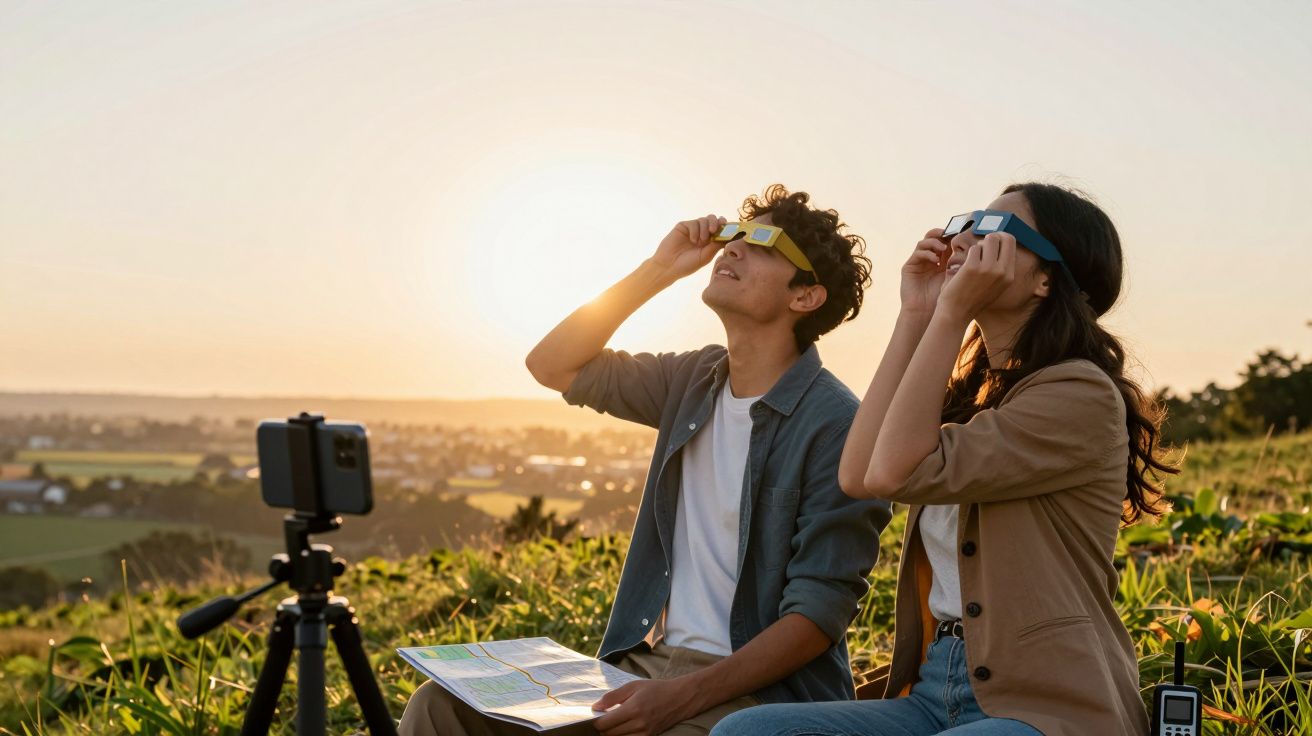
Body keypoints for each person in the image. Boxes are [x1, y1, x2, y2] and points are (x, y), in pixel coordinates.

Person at [398, 185, 892, 736]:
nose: (732, 247)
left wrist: (680, 699)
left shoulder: (839, 425)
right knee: (438, 708)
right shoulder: (691, 380)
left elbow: (816, 616)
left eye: (762, 240)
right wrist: (659, 269)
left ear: (805, 297)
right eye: (733, 234)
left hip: (757, 695)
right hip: (643, 666)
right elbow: (551, 364)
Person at [713, 182, 1175, 736]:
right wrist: (916, 313)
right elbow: (858, 474)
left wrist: (951, 312)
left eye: (995, 228)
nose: (966, 236)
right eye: (967, 220)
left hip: (1047, 706)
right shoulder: (973, 401)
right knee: (745, 733)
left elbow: (894, 471)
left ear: (1046, 277)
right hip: (936, 693)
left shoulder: (1080, 394)